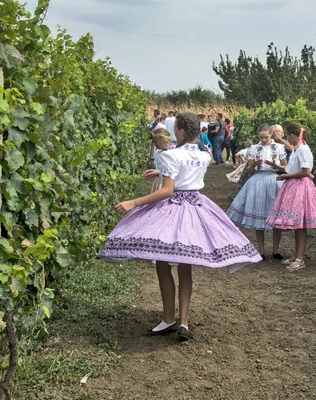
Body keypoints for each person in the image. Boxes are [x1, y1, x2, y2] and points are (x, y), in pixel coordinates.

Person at [98, 112, 262, 341]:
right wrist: (161, 171)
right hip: (196, 206)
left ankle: (168, 318)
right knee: (185, 266)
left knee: (163, 261)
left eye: (176, 130)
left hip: (173, 208)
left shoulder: (169, 154)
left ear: (182, 131)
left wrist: (133, 203)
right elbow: (187, 170)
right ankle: (183, 322)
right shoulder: (204, 155)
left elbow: (167, 190)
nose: (175, 133)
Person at [266, 123, 316, 271]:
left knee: (301, 225)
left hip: (301, 187)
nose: (287, 138)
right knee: (297, 225)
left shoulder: (303, 149)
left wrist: (288, 176)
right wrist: (282, 142)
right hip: (295, 186)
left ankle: (300, 258)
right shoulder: (299, 147)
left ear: (292, 135)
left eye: (287, 136)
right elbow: (294, 150)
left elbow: (306, 172)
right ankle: (297, 255)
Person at [227, 125, 287, 260]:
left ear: (271, 135)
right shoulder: (254, 148)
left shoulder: (278, 147)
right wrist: (253, 164)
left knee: (275, 215)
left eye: (266, 137)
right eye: (261, 137)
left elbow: (285, 167)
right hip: (258, 181)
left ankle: (275, 250)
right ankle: (261, 250)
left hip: (274, 179)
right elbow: (248, 171)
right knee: (258, 213)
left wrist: (275, 166)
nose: (264, 140)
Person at [142, 128, 172, 193]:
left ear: (163, 140)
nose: (155, 144)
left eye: (156, 141)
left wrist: (158, 172)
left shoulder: (172, 153)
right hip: (159, 180)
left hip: (168, 182)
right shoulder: (158, 152)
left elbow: (172, 171)